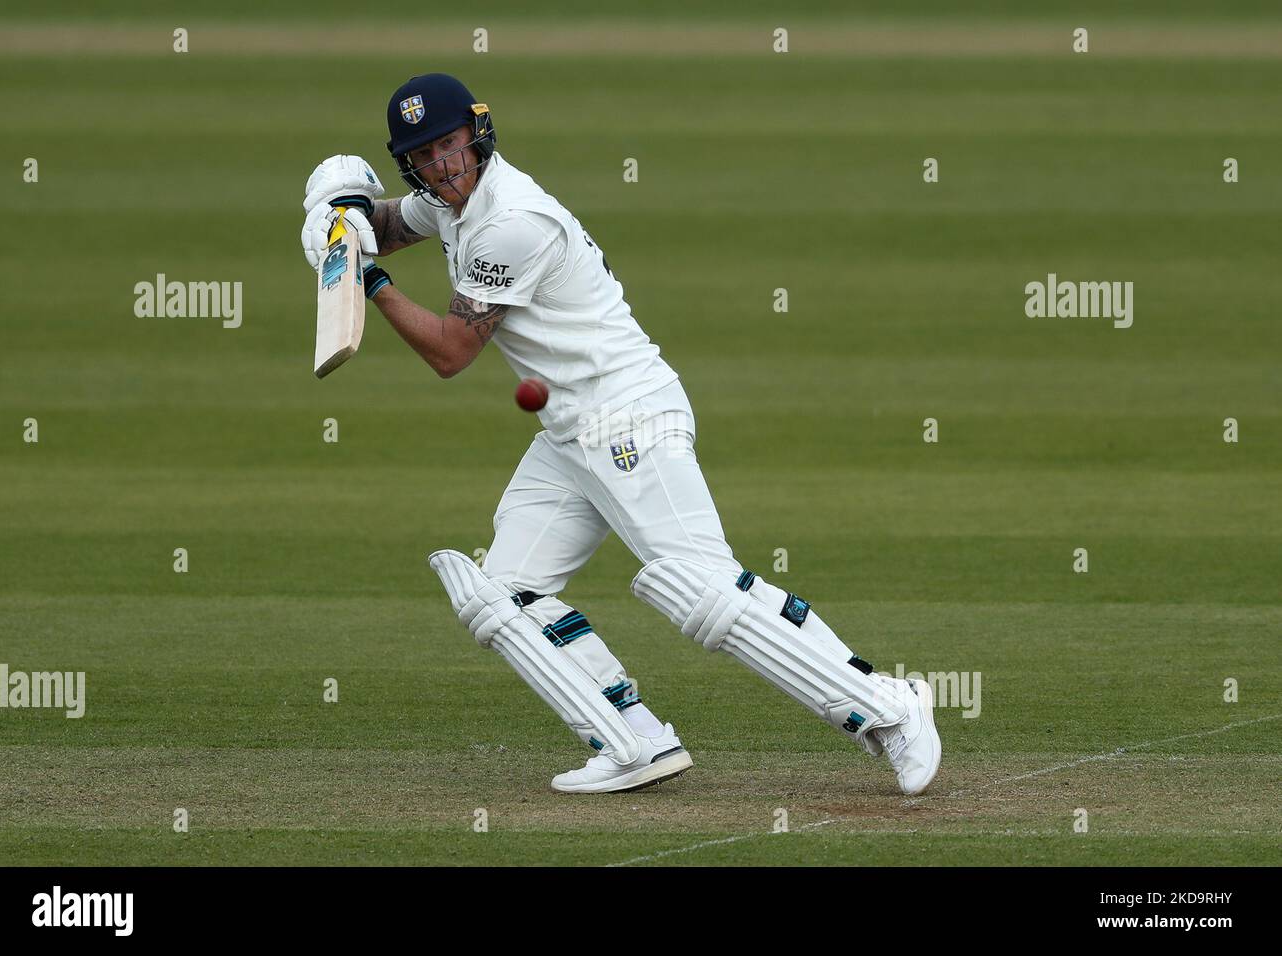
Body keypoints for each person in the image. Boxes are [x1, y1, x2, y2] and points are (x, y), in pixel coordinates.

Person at [300, 73, 941, 795]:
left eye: (450, 146)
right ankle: (633, 739)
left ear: (475, 138)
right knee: (505, 596)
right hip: (570, 432)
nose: (442, 166)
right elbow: (389, 222)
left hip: (626, 412)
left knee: (703, 592)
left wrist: (369, 278)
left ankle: (891, 708)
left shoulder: (513, 220)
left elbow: (451, 352)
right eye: (424, 155)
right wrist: (345, 217)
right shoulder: (449, 203)